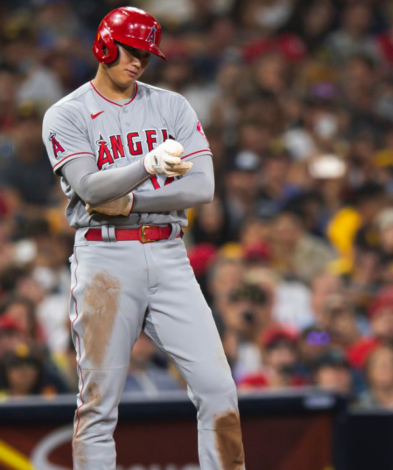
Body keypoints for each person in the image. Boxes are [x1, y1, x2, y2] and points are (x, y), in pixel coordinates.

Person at [41, 7, 244, 468]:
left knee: (219, 389)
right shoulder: (67, 113)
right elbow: (90, 189)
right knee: (99, 403)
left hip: (169, 252)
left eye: (146, 56)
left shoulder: (171, 104)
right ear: (105, 46)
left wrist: (133, 200)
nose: (138, 62)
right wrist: (147, 167)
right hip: (105, 258)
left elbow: (203, 187)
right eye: (130, 51)